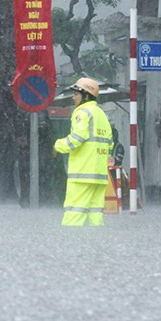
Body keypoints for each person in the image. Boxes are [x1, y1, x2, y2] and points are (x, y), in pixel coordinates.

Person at [53, 77, 113, 226]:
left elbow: (77, 138)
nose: (73, 98)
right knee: (95, 213)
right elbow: (110, 144)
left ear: (85, 95)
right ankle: (95, 244)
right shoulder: (101, 115)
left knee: (74, 212)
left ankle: (69, 245)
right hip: (99, 175)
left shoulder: (82, 112)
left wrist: (57, 145)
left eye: (76, 95)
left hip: (82, 174)